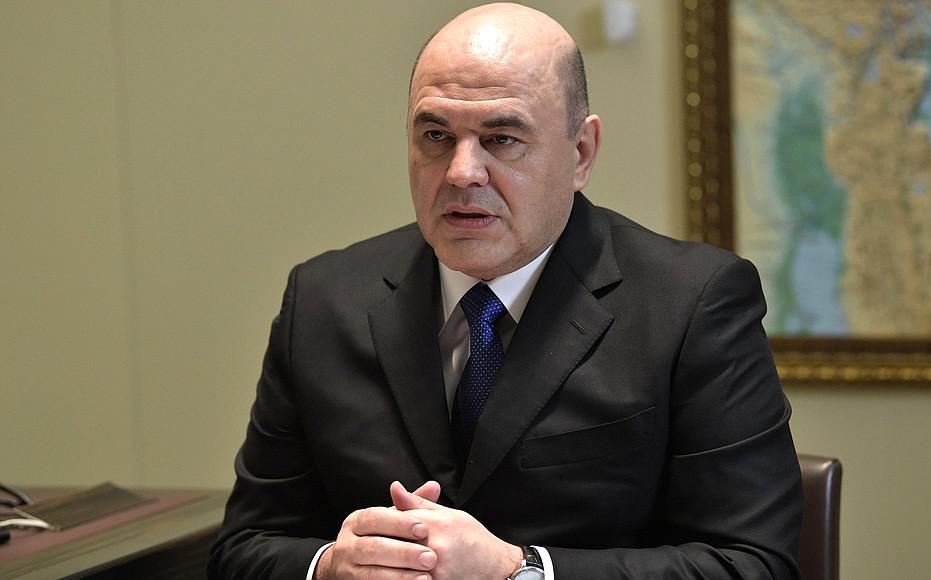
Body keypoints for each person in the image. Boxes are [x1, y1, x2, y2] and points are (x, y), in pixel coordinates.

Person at [208, 3, 803, 579]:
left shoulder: (692, 303)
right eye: (436, 135)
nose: (461, 172)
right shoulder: (322, 300)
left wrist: (517, 571)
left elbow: (752, 563)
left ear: (581, 152)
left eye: (501, 139)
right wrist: (331, 567)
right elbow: (244, 549)